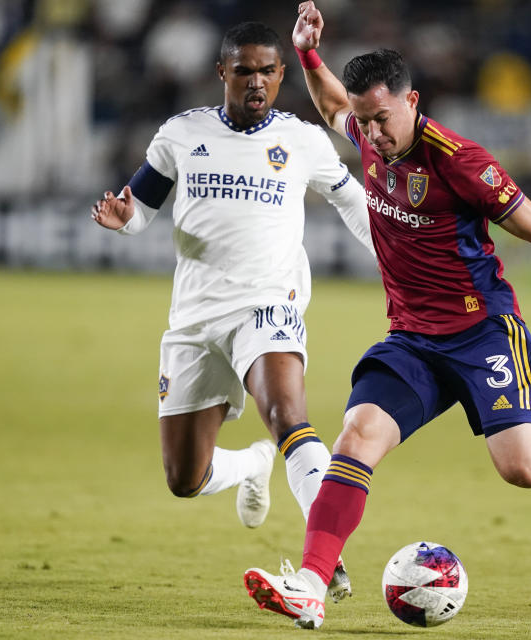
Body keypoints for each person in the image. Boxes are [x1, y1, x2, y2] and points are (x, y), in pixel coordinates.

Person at [241, 2, 531, 630]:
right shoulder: (367, 130)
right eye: (366, 122)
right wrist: (308, 53)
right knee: (356, 437)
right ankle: (309, 585)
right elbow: (333, 99)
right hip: (412, 339)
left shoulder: (462, 163)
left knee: (525, 470)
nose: (374, 135)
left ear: (412, 100)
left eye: (384, 119)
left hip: (482, 334)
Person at [91, 21, 374, 602]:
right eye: (244, 70)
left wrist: (401, 261)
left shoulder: (302, 141)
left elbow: (352, 201)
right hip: (195, 317)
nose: (256, 82)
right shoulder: (180, 134)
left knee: (288, 414)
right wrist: (125, 218)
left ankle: (323, 559)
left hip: (269, 303)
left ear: (281, 75)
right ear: (222, 72)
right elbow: (141, 206)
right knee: (183, 479)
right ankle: (250, 465)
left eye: (268, 71)